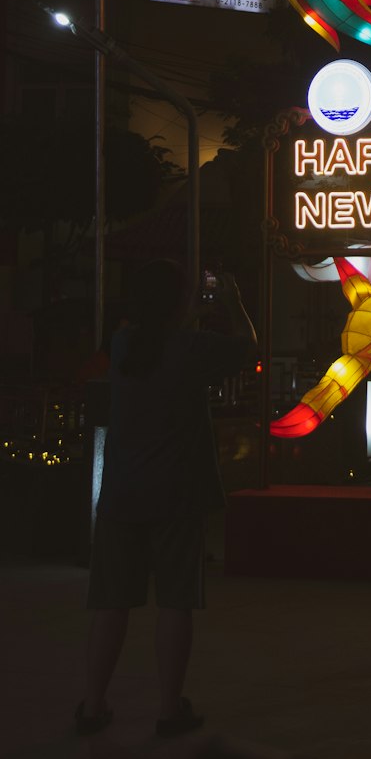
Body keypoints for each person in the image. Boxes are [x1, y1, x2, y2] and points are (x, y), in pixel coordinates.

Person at [76, 259, 257, 740]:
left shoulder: (122, 345)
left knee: (111, 603)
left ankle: (93, 705)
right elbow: (246, 349)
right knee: (176, 602)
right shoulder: (192, 348)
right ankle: (167, 707)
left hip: (121, 492)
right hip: (178, 492)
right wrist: (233, 302)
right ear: (180, 302)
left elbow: (154, 340)